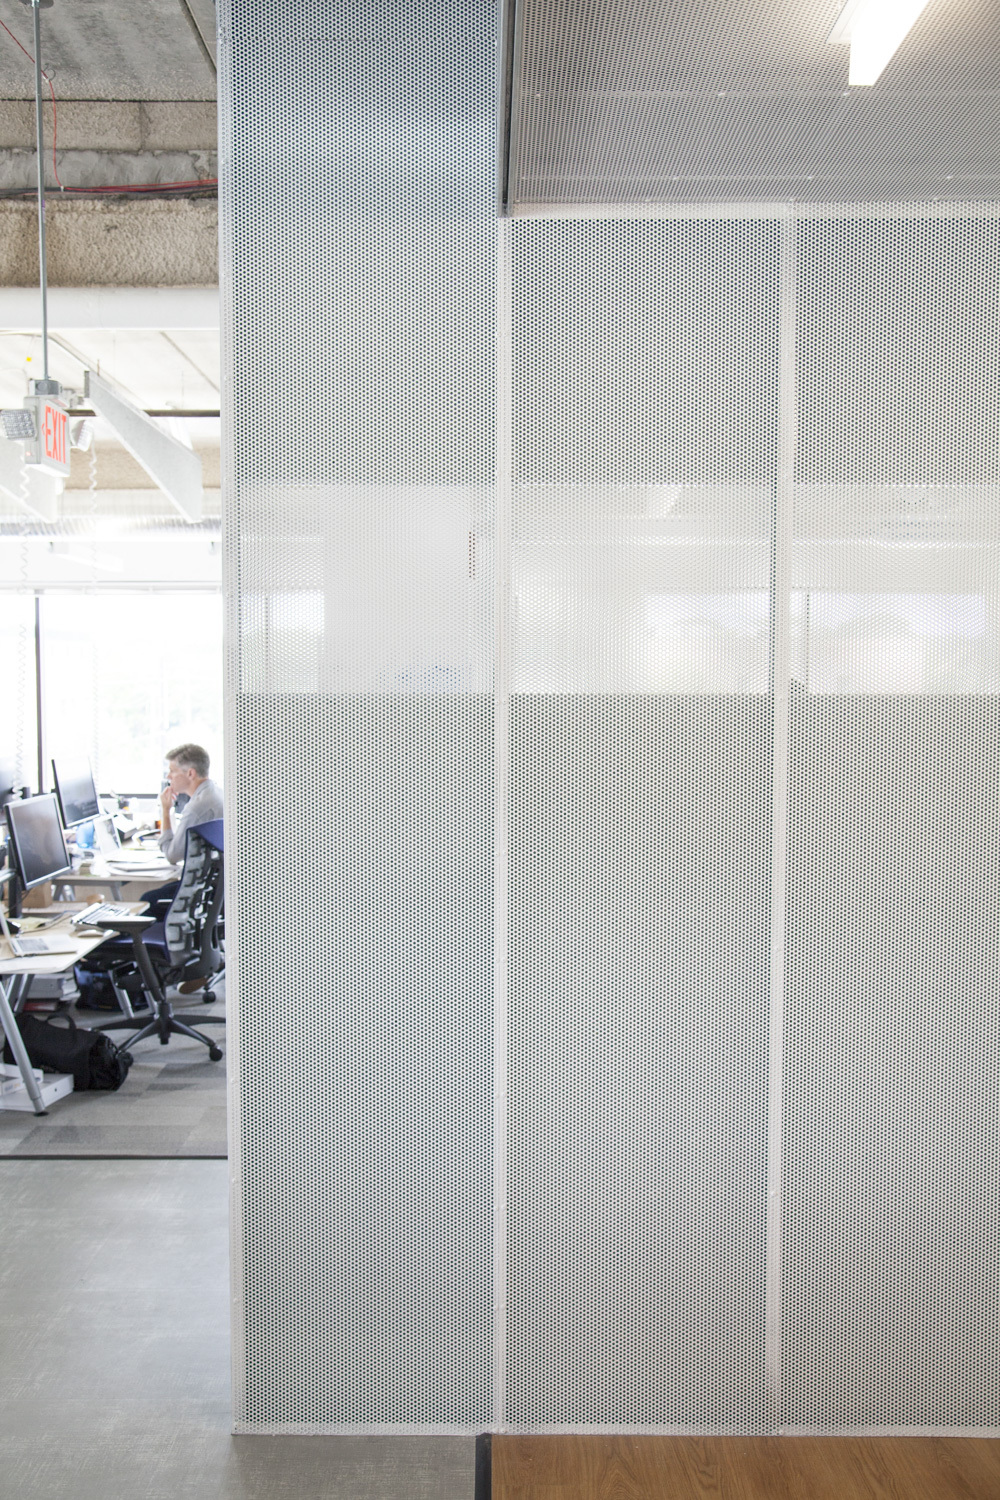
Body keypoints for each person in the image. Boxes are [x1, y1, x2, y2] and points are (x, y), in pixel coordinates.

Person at [140, 743, 224, 924]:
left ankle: (149, 943)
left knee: (146, 902)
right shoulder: (216, 792)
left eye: (172, 771)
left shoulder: (197, 807)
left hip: (202, 892)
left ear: (190, 773)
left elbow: (172, 855)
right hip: (213, 888)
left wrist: (165, 810)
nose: (168, 776)